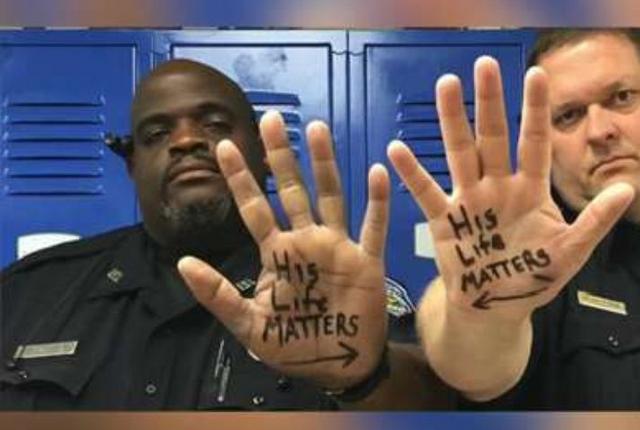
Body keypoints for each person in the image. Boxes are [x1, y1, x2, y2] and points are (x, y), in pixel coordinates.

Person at [0, 59, 448, 410]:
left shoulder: (336, 292)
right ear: (132, 165)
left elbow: (438, 409)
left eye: (214, 125)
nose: (185, 141)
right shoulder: (29, 294)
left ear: (264, 152)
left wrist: (359, 377)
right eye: (157, 133)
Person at [387, 29, 640, 410]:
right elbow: (471, 367)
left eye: (621, 97)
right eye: (568, 116)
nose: (599, 131)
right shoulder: (534, 270)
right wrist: (480, 316)